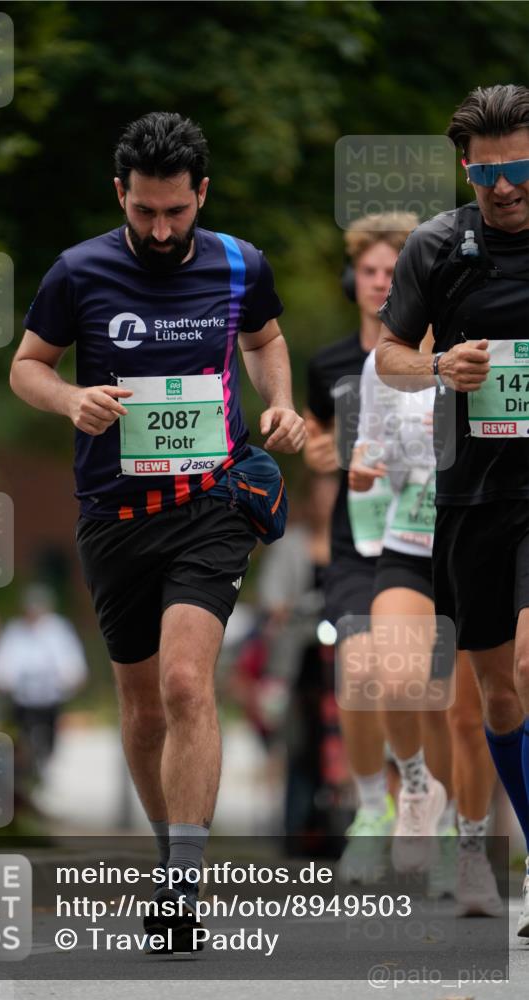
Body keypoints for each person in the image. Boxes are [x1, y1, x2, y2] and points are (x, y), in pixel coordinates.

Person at [10, 112, 305, 948]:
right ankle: (168, 847)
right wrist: (70, 399)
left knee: (184, 683)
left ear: (200, 194)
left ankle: (182, 884)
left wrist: (278, 403)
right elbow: (25, 366)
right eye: (144, 212)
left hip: (211, 503)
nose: (162, 229)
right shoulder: (78, 272)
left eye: (176, 211)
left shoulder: (241, 263)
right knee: (140, 708)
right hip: (113, 514)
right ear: (121, 195)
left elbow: (266, 340)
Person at [375, 83, 529, 935]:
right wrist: (438, 369)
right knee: (497, 698)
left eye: (520, 168)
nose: (503, 188)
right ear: (463, 170)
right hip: (472, 493)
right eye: (484, 173)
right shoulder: (438, 246)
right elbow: (388, 356)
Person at [350, 340, 502, 916]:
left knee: (467, 716)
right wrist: (362, 468)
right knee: (395, 680)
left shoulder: (499, 344)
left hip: (476, 545)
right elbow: (364, 455)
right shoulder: (382, 363)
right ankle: (414, 786)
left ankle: (468, 852)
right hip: (407, 548)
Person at [305, 212, 418, 883]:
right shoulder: (329, 365)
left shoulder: (439, 352)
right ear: (353, 280)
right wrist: (318, 453)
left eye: (392, 272)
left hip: (428, 535)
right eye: (370, 271)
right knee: (356, 673)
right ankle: (371, 809)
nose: (379, 283)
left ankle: (422, 797)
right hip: (356, 542)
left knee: (419, 684)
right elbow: (316, 445)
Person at [0, 586, 87, 778]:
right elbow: (3, 662)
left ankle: (44, 764)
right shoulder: (15, 631)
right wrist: (1, 679)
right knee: (21, 737)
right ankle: (26, 770)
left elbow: (70, 660)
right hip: (22, 698)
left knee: (48, 737)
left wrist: (71, 677)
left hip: (50, 696)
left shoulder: (58, 630)